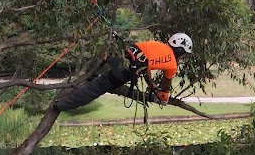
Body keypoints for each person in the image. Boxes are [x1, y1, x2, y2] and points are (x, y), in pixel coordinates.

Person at [55, 32, 193, 112]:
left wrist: (151, 84)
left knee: (98, 68)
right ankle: (61, 105)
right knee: (96, 89)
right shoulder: (172, 65)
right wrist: (163, 96)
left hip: (119, 57)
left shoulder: (156, 45)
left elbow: (144, 64)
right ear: (180, 50)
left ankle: (90, 74)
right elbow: (166, 85)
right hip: (125, 73)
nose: (182, 58)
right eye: (184, 55)